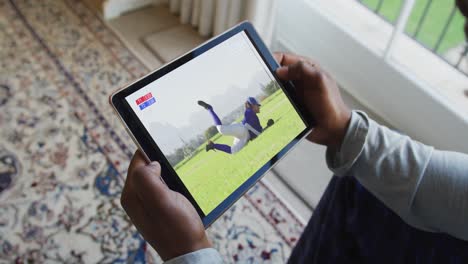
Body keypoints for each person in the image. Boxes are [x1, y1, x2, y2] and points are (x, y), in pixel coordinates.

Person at [197, 97, 272, 154]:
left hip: (245, 136)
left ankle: (213, 145)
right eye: (257, 105)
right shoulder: (250, 112)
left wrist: (268, 126)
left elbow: (259, 133)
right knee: (221, 130)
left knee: (233, 151)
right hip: (241, 129)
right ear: (252, 106)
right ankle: (210, 109)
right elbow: (255, 131)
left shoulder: (254, 116)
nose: (259, 107)